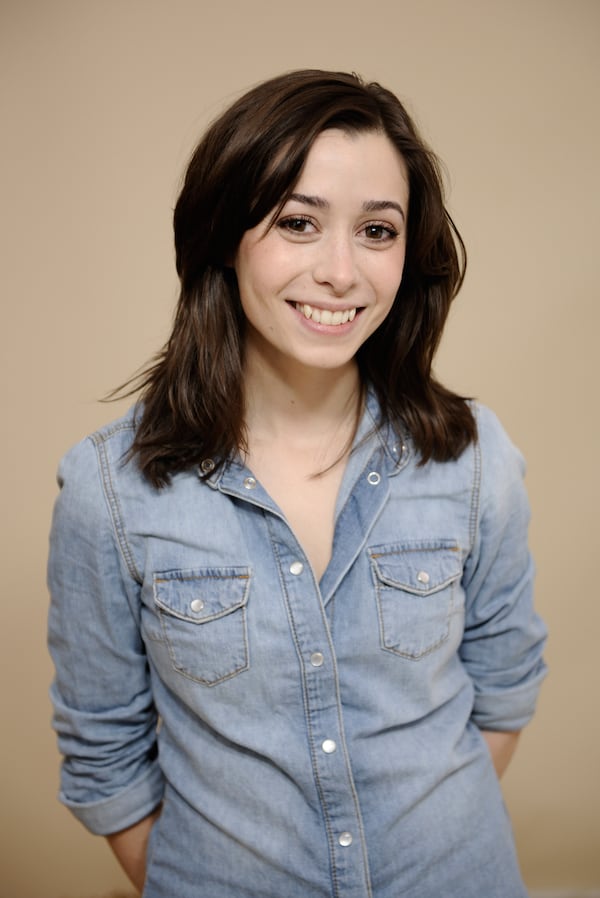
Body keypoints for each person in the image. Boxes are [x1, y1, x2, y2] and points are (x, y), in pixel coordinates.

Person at [47, 69, 547, 898]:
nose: (341, 272)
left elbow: (504, 682)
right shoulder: (111, 487)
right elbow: (104, 749)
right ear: (225, 236)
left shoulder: (473, 455)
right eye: (298, 223)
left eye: (378, 231)